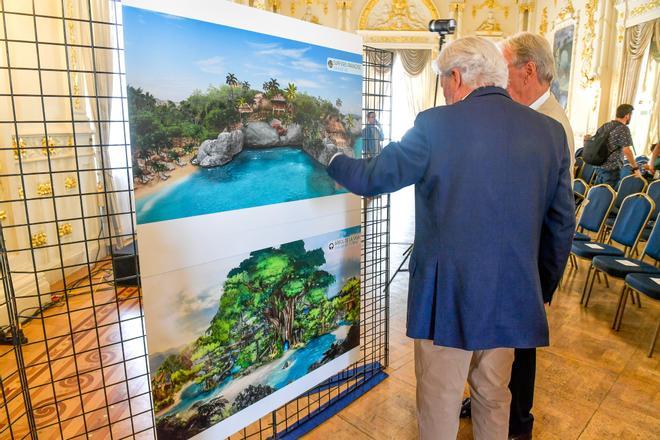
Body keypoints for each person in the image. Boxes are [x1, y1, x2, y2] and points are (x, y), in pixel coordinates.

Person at [325, 36, 575, 439]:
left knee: (439, 403)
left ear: (456, 77)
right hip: (512, 296)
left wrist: (333, 157)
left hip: (448, 300)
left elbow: (373, 179)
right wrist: (536, 287)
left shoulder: (434, 125)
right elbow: (561, 224)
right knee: (494, 398)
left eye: (442, 82)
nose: (443, 92)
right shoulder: (548, 132)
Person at [454, 32, 575, 440]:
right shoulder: (523, 114)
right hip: (507, 261)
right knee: (503, 351)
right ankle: (491, 403)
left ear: (527, 70)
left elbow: (559, 218)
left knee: (520, 357)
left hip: (524, 266)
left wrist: (543, 284)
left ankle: (517, 427)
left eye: (504, 67)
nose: (498, 77)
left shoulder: (552, 124)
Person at [587, 104, 638, 188]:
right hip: (611, 169)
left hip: (599, 166)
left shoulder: (606, 125)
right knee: (607, 197)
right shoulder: (623, 129)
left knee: (597, 192)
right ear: (627, 115)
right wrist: (636, 168)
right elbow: (627, 150)